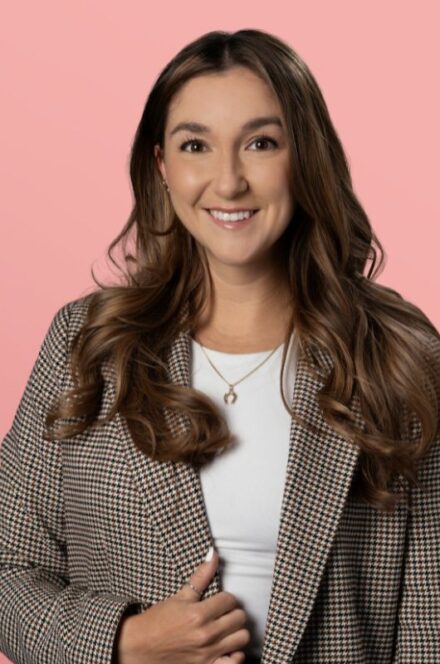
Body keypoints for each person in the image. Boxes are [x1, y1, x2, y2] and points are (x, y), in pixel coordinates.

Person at [1, 28, 439, 664]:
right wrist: (123, 642)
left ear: (304, 157)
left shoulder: (398, 354)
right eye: (196, 145)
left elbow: (430, 623)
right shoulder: (89, 343)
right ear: (162, 166)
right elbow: (7, 568)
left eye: (261, 143)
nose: (228, 182)